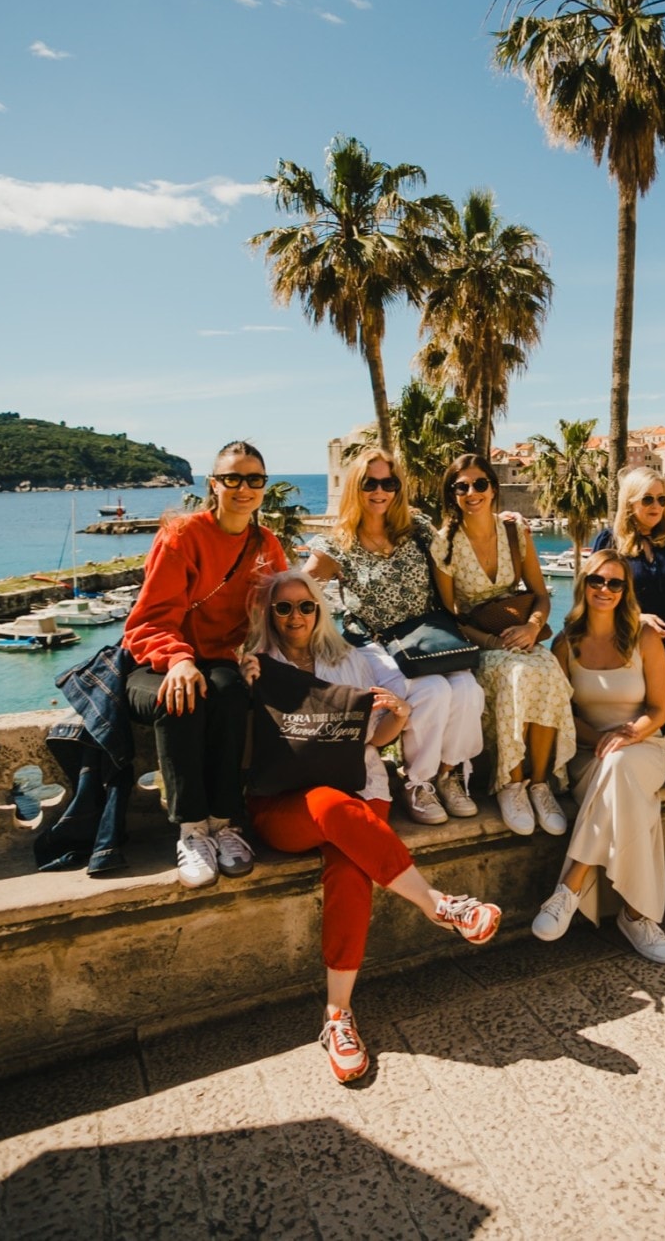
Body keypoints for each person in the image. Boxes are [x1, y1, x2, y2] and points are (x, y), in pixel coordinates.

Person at [241, 570, 501, 1082]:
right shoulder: (254, 664)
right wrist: (244, 687)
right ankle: (437, 905)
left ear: (319, 610)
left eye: (305, 606)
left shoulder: (351, 662)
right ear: (267, 615)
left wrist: (398, 718)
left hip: (361, 789)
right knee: (329, 805)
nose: (296, 617)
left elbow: (369, 739)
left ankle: (337, 1016)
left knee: (350, 871)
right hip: (287, 806)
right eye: (283, 608)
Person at [123, 440, 287, 890]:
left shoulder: (266, 543)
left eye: (254, 479)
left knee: (232, 692)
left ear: (263, 488)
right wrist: (177, 660)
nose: (243, 488)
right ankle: (192, 830)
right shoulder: (181, 536)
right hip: (156, 660)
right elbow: (151, 618)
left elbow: (274, 612)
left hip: (217, 662)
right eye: (232, 478)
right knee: (183, 697)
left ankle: (223, 822)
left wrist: (258, 655)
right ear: (214, 484)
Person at [303, 447, 485, 827]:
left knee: (468, 691)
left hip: (425, 639)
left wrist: (499, 525)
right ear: (356, 487)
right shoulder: (337, 544)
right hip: (373, 643)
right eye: (370, 483)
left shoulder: (415, 527)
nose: (380, 491)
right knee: (431, 691)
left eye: (389, 482)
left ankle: (447, 775)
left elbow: (458, 549)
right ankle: (416, 781)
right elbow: (299, 592)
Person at [531, 551, 665, 963]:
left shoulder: (643, 639)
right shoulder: (566, 644)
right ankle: (636, 915)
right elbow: (564, 713)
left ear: (625, 591)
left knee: (622, 768)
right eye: (597, 581)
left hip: (645, 746)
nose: (605, 590)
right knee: (623, 784)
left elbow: (659, 711)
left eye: (615, 583)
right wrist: (601, 738)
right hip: (589, 753)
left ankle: (570, 887)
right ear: (584, 585)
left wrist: (627, 735)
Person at [431, 455, 576, 836]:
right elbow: (452, 617)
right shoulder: (445, 544)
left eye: (479, 484)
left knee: (547, 671)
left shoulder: (515, 531)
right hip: (478, 643)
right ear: (452, 494)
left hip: (520, 636)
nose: (471, 492)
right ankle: (511, 785)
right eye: (461, 487)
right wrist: (492, 641)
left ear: (494, 488)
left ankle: (539, 783)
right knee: (517, 676)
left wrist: (532, 627)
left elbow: (542, 596)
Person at [590, 469, 665, 773]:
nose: (656, 506)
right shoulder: (609, 541)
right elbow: (594, 593)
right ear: (630, 503)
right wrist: (636, 617)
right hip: (628, 635)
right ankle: (663, 744)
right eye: (648, 499)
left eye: (662, 499)